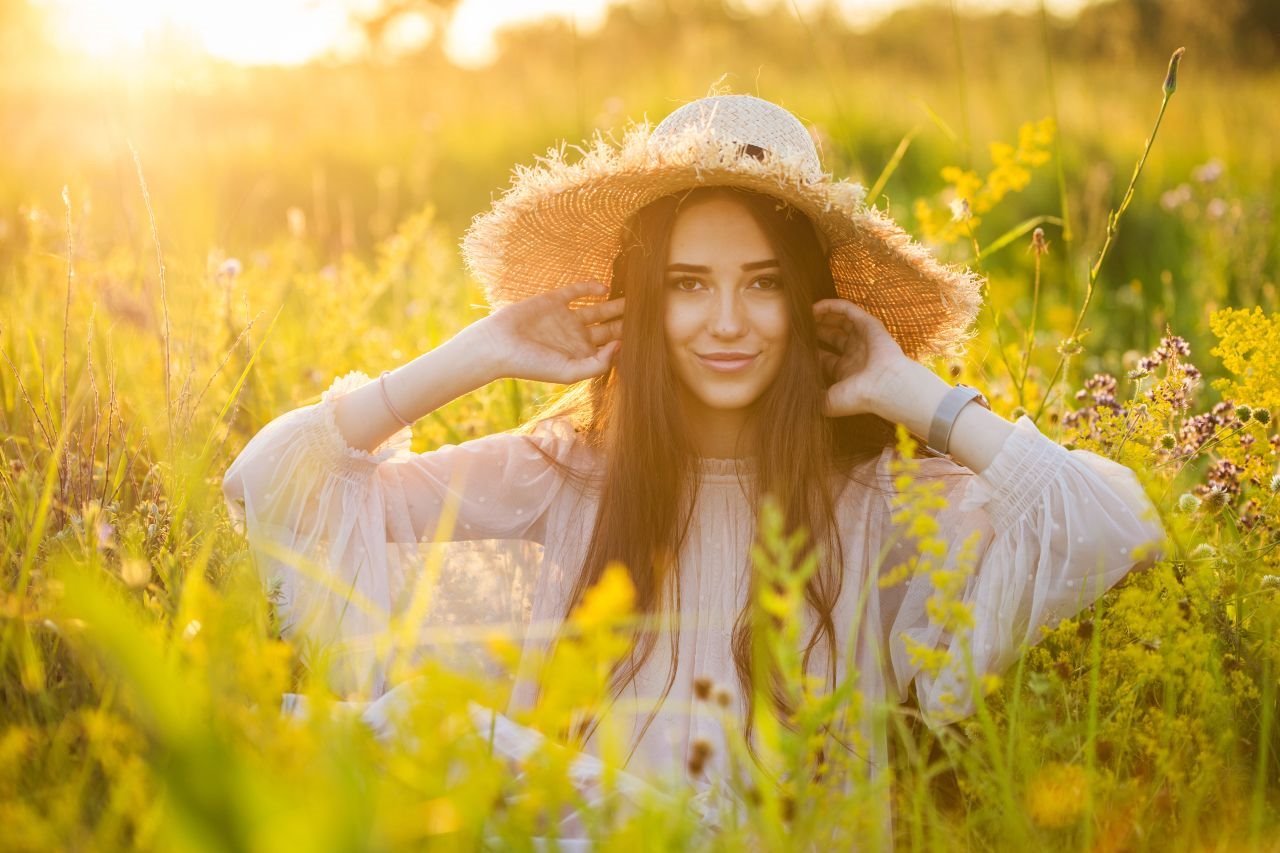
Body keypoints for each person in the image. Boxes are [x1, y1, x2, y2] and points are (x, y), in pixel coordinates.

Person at [222, 94, 1166, 843]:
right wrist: (481, 351)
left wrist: (909, 390)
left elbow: (1107, 523)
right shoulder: (562, 475)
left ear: (805, 306)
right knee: (331, 736)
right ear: (642, 305)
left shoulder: (876, 499)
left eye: (762, 284)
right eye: (687, 285)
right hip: (597, 832)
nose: (726, 321)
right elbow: (277, 487)